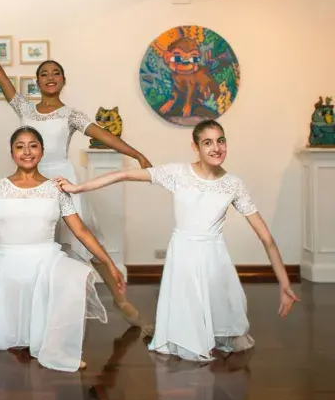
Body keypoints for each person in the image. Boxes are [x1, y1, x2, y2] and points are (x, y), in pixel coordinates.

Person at [0, 31, 153, 334]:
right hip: (28, 182)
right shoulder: (25, 109)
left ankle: (118, 299)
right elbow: (2, 78)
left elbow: (103, 134)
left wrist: (136, 152)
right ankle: (39, 307)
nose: (50, 77)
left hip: (62, 182)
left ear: (63, 80)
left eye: (55, 73)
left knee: (84, 240)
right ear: (37, 81)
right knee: (41, 242)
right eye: (44, 73)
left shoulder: (71, 114)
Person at [55, 119, 299, 362]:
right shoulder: (177, 173)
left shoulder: (233, 185)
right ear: (196, 147)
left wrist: (284, 283)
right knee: (188, 311)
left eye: (221, 141)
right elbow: (124, 174)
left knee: (220, 311)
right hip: (183, 253)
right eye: (208, 142)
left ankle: (215, 339)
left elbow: (266, 237)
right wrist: (78, 188)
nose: (216, 148)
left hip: (215, 257)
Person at [0, 126, 111, 371]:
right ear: (11, 153)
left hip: (45, 261)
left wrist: (108, 263)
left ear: (42, 151)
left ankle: (56, 346)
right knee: (9, 335)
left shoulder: (56, 189)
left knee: (77, 276)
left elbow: (81, 230)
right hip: (8, 263)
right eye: (19, 146)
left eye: (33, 145)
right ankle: (20, 337)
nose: (26, 151)